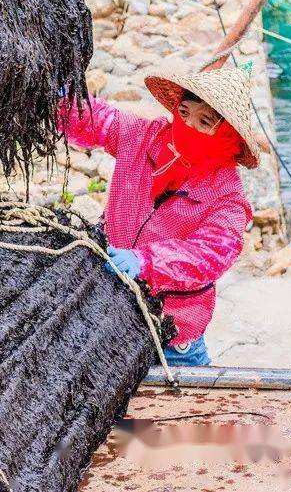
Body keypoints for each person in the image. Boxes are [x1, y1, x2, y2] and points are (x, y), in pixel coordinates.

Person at [59, 64, 260, 367]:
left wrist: (145, 262)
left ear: (227, 135)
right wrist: (64, 101)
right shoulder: (143, 137)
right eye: (184, 112)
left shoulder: (227, 197)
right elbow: (98, 120)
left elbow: (209, 254)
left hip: (173, 338)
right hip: (111, 314)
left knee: (180, 412)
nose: (188, 126)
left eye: (204, 121)